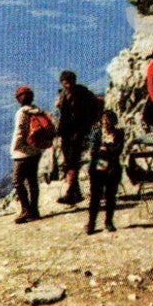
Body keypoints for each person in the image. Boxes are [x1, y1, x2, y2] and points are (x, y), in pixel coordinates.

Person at [55, 71, 101, 206]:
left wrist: (87, 125)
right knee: (70, 162)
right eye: (65, 80)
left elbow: (95, 107)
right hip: (66, 132)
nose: (67, 83)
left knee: (73, 161)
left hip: (78, 131)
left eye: (69, 80)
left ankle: (71, 192)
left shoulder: (82, 93)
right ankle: (76, 193)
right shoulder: (64, 94)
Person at [86, 109, 126, 235]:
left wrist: (104, 149)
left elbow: (118, 150)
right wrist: (107, 150)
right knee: (95, 197)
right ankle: (91, 223)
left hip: (113, 168)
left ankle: (109, 222)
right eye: (104, 121)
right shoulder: (97, 134)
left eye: (108, 121)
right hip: (98, 167)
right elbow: (93, 151)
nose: (106, 124)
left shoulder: (119, 134)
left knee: (110, 196)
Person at [10, 85, 45, 224]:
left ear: (20, 99)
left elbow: (20, 131)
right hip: (36, 151)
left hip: (22, 153)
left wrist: (15, 147)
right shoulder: (37, 110)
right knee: (32, 181)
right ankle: (34, 210)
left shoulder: (22, 113)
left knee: (17, 181)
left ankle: (26, 210)